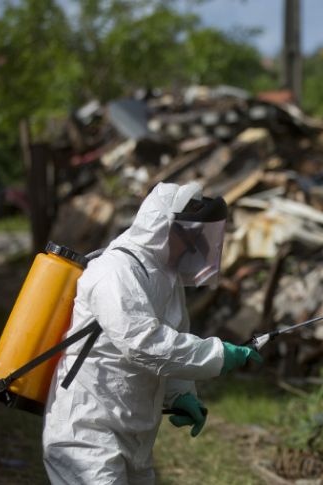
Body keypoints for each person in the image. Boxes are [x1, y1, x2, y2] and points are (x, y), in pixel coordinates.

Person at [42, 181, 261, 484]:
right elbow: (144, 343)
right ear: (164, 227)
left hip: (134, 431)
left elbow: (174, 336)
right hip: (87, 429)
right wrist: (219, 354)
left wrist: (180, 393)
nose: (200, 246)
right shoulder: (116, 270)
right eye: (194, 235)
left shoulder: (168, 278)